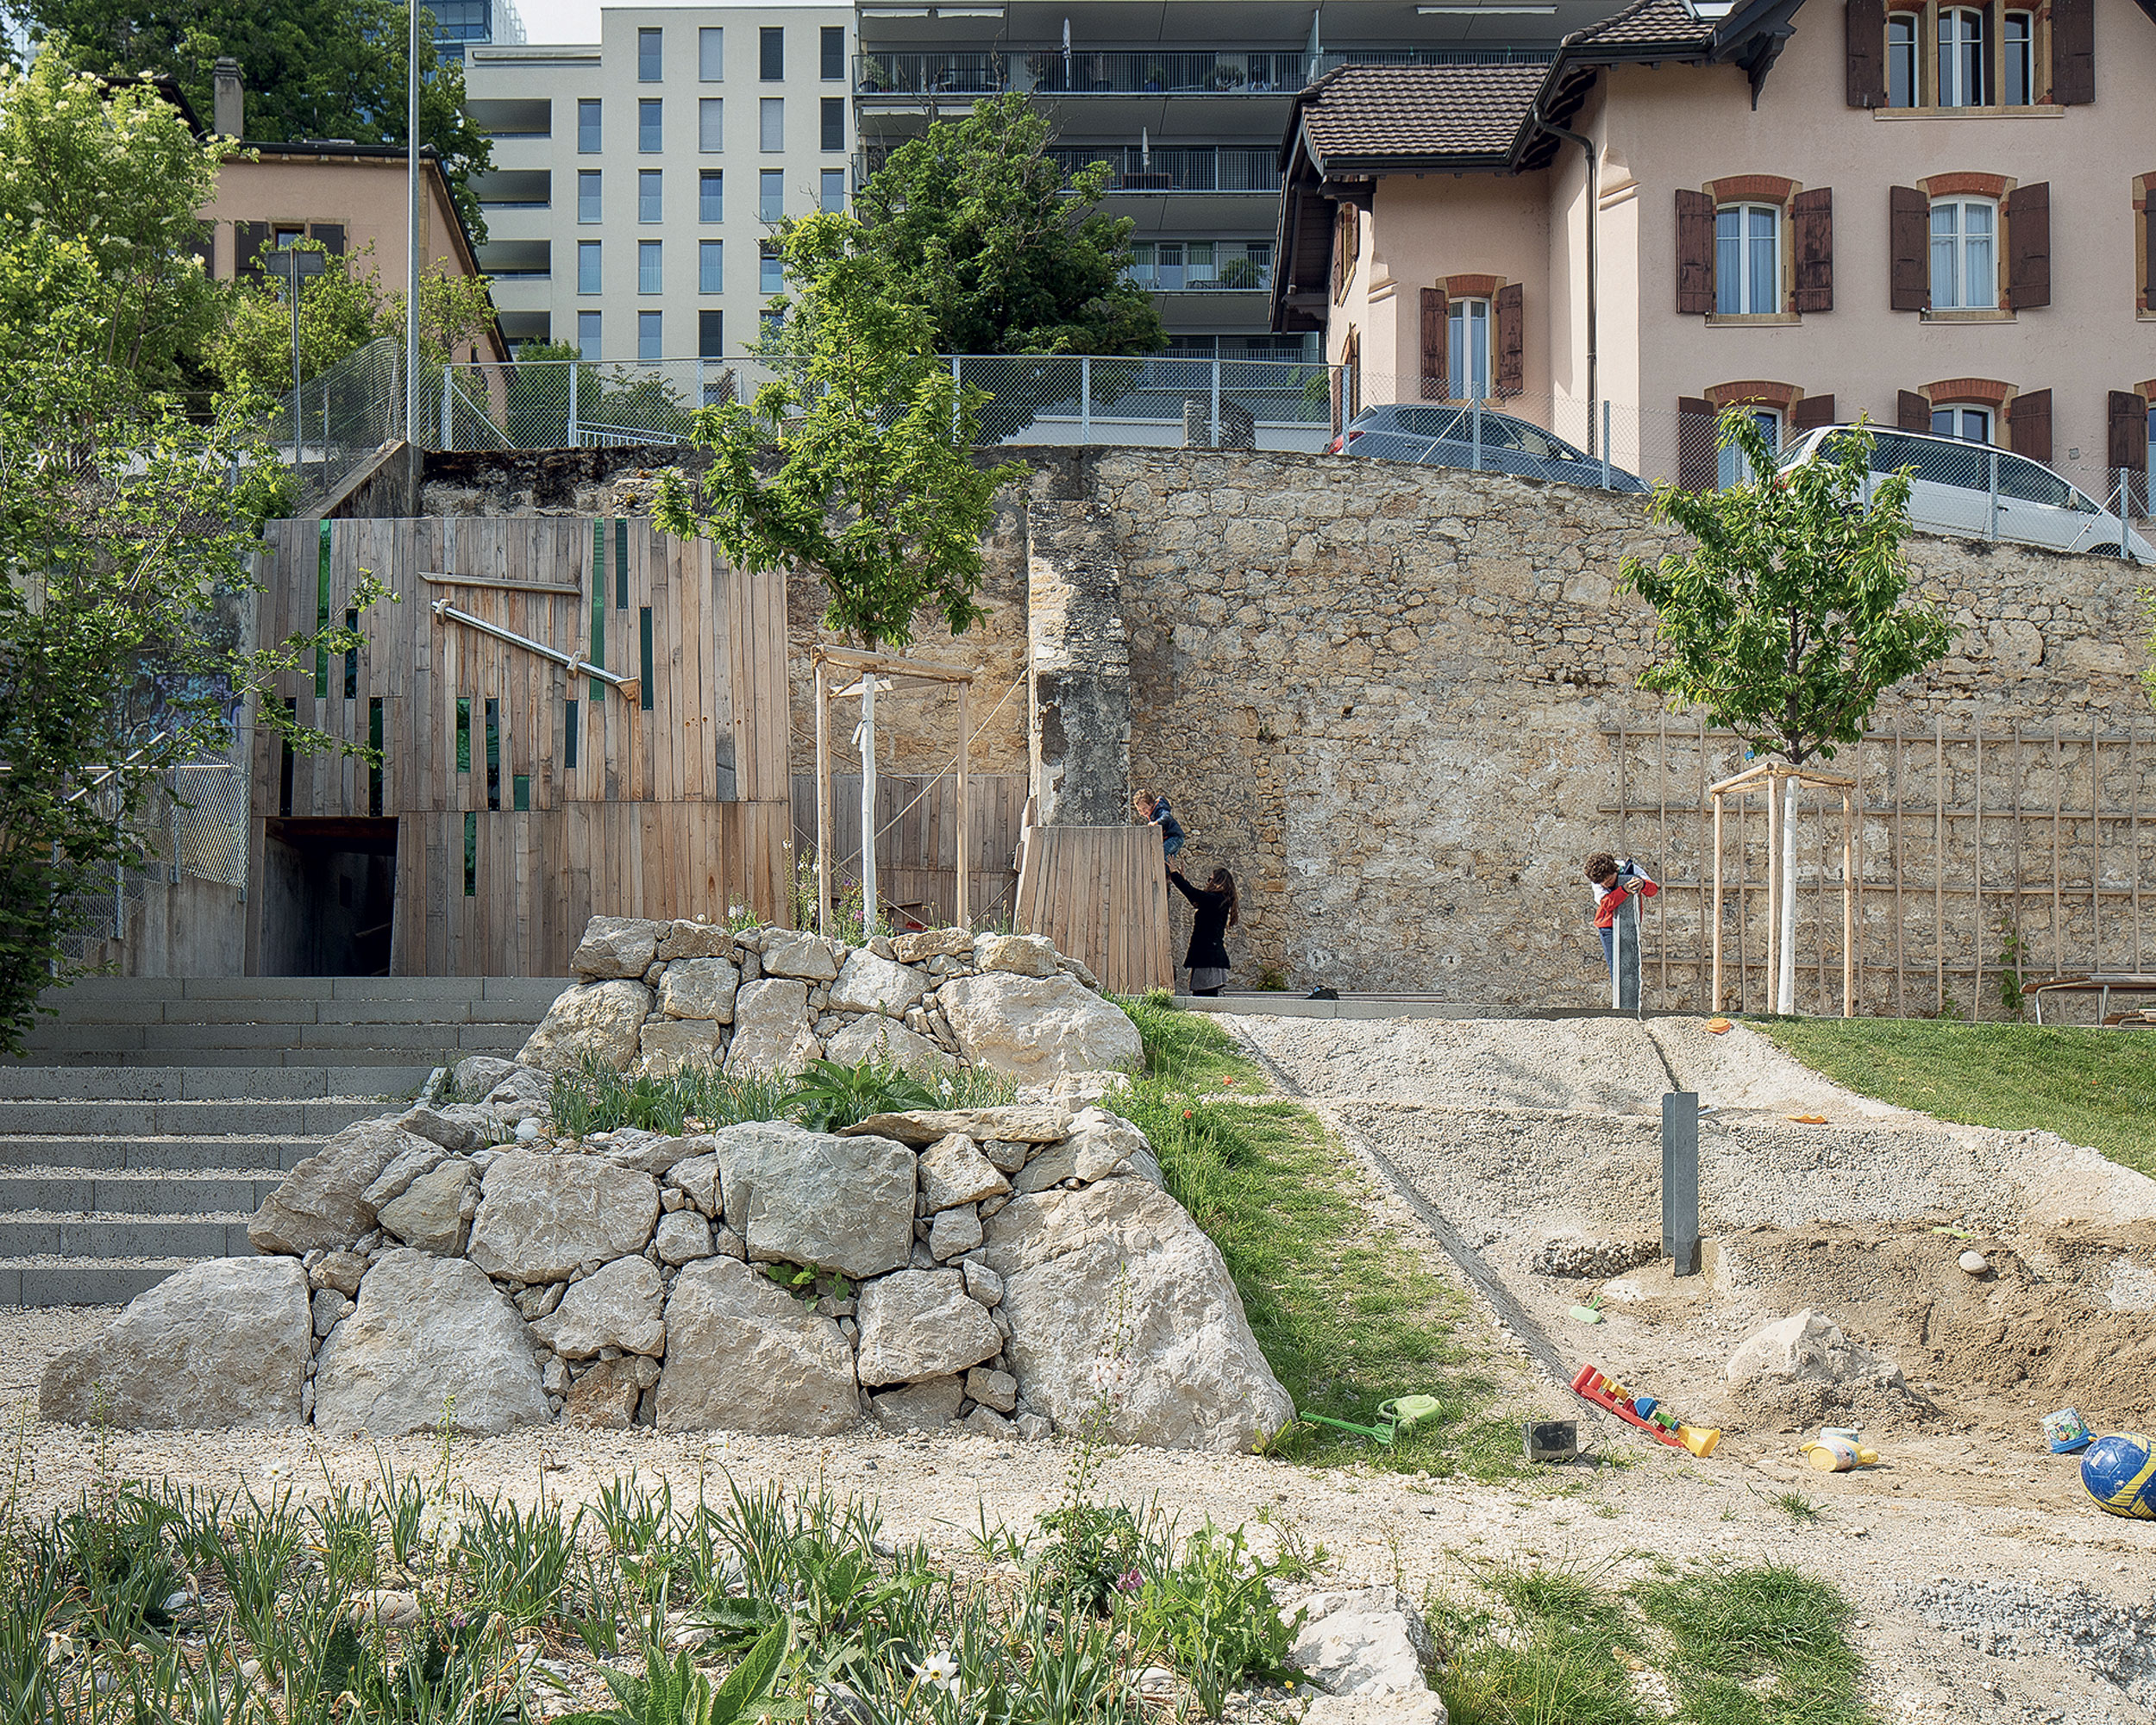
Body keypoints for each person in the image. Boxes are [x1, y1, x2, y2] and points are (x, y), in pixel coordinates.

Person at [1585, 850, 1658, 1012]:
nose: (1606, 886)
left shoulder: (1631, 869)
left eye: (1609, 881)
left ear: (1614, 871)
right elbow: (1607, 904)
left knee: (1631, 965)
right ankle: (1621, 1007)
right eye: (1603, 884)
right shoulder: (1598, 880)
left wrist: (1642, 884)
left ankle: (1632, 1006)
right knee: (1616, 966)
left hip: (1630, 924)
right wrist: (1624, 890)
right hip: (1608, 926)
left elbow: (1653, 890)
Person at [1169, 864, 1238, 995]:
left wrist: (1174, 874)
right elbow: (1195, 899)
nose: (1208, 882)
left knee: (1204, 996)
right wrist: (1182, 880)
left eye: (1210, 879)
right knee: (1205, 995)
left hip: (1208, 958)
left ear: (1218, 883)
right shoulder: (1217, 900)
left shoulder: (1216, 899)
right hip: (1208, 956)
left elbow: (1194, 894)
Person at [1133, 788, 1186, 860]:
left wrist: (1155, 823)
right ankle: (1168, 867)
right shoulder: (1152, 814)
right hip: (1172, 838)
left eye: (1144, 808)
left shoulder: (1159, 810)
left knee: (1161, 854)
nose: (1143, 812)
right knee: (1168, 860)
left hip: (1175, 837)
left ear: (1151, 804)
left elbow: (1167, 817)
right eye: (1140, 810)